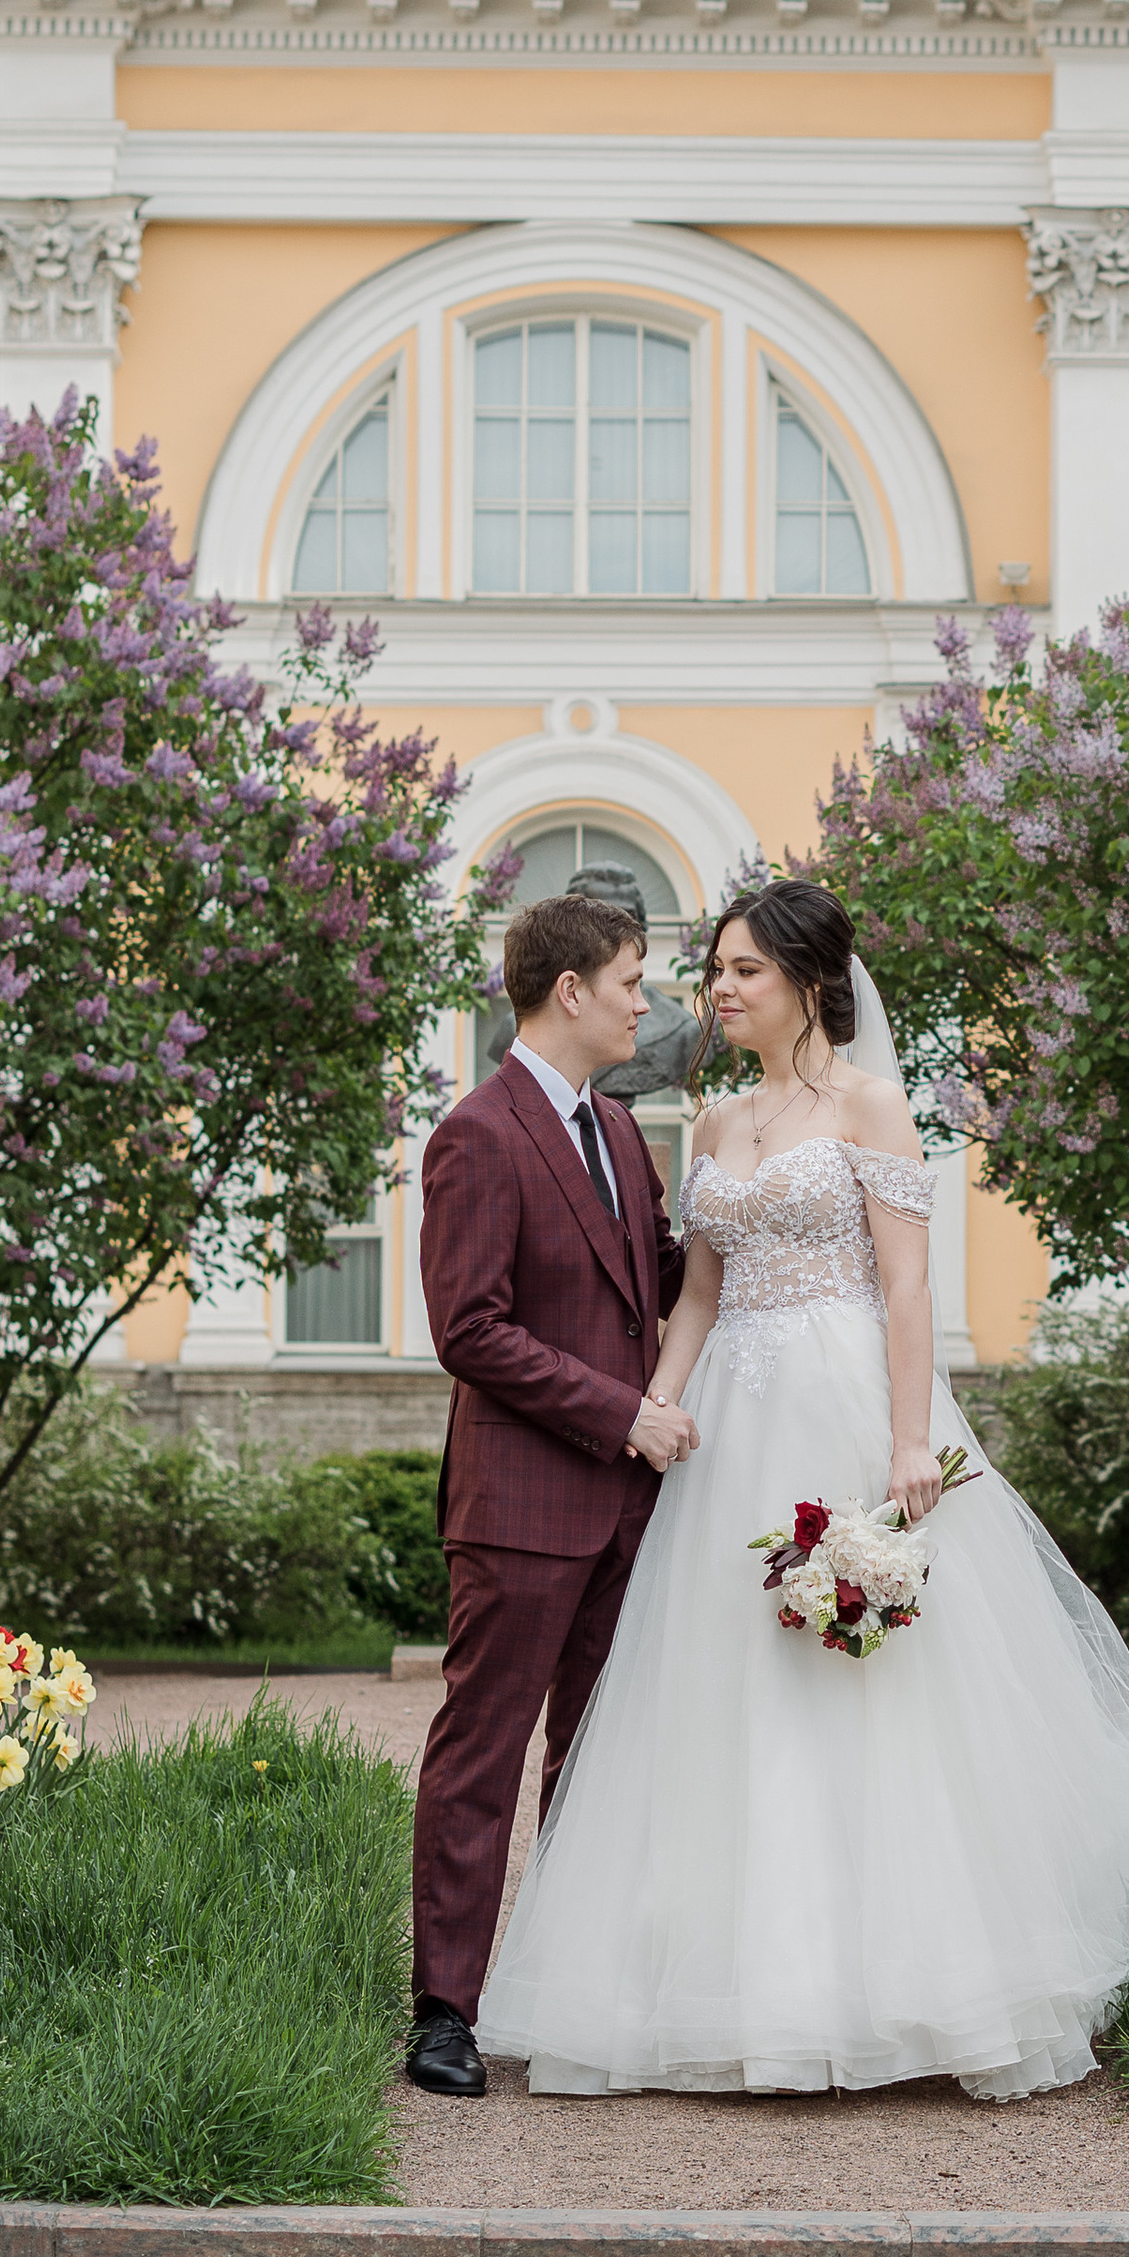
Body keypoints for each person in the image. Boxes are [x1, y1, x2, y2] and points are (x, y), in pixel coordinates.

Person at [477, 875, 1129, 2100]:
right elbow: (698, 1290)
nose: (716, 993)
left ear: (806, 981)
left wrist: (907, 1443)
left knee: (870, 1693)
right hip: (733, 1423)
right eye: (714, 973)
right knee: (717, 1687)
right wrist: (660, 1410)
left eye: (742, 971)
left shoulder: (874, 1108)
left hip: (844, 1402)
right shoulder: (719, 1123)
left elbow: (906, 1290)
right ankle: (713, 1983)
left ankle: (903, 1984)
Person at [405, 887, 694, 2100]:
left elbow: (665, 1282)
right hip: (523, 1509)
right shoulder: (476, 1133)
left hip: (630, 1510)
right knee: (483, 1752)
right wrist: (621, 1412)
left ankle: (568, 1993)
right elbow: (469, 1329)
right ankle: (444, 2015)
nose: (648, 1002)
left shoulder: (623, 1135)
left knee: (596, 1755)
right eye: (632, 979)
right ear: (568, 989)